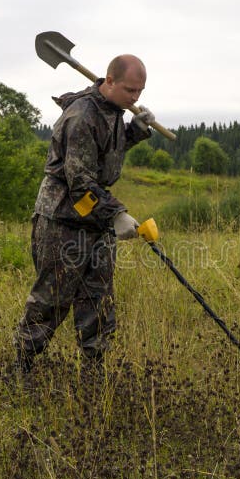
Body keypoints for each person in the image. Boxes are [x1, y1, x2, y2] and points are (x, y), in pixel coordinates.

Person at [12, 54, 156, 378]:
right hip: (63, 219)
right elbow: (81, 183)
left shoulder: (113, 111)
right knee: (52, 300)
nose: (135, 98)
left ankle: (94, 379)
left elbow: (104, 154)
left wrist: (134, 131)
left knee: (98, 301)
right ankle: (20, 369)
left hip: (94, 220)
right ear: (109, 80)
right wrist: (117, 213)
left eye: (140, 92)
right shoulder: (80, 117)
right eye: (130, 90)